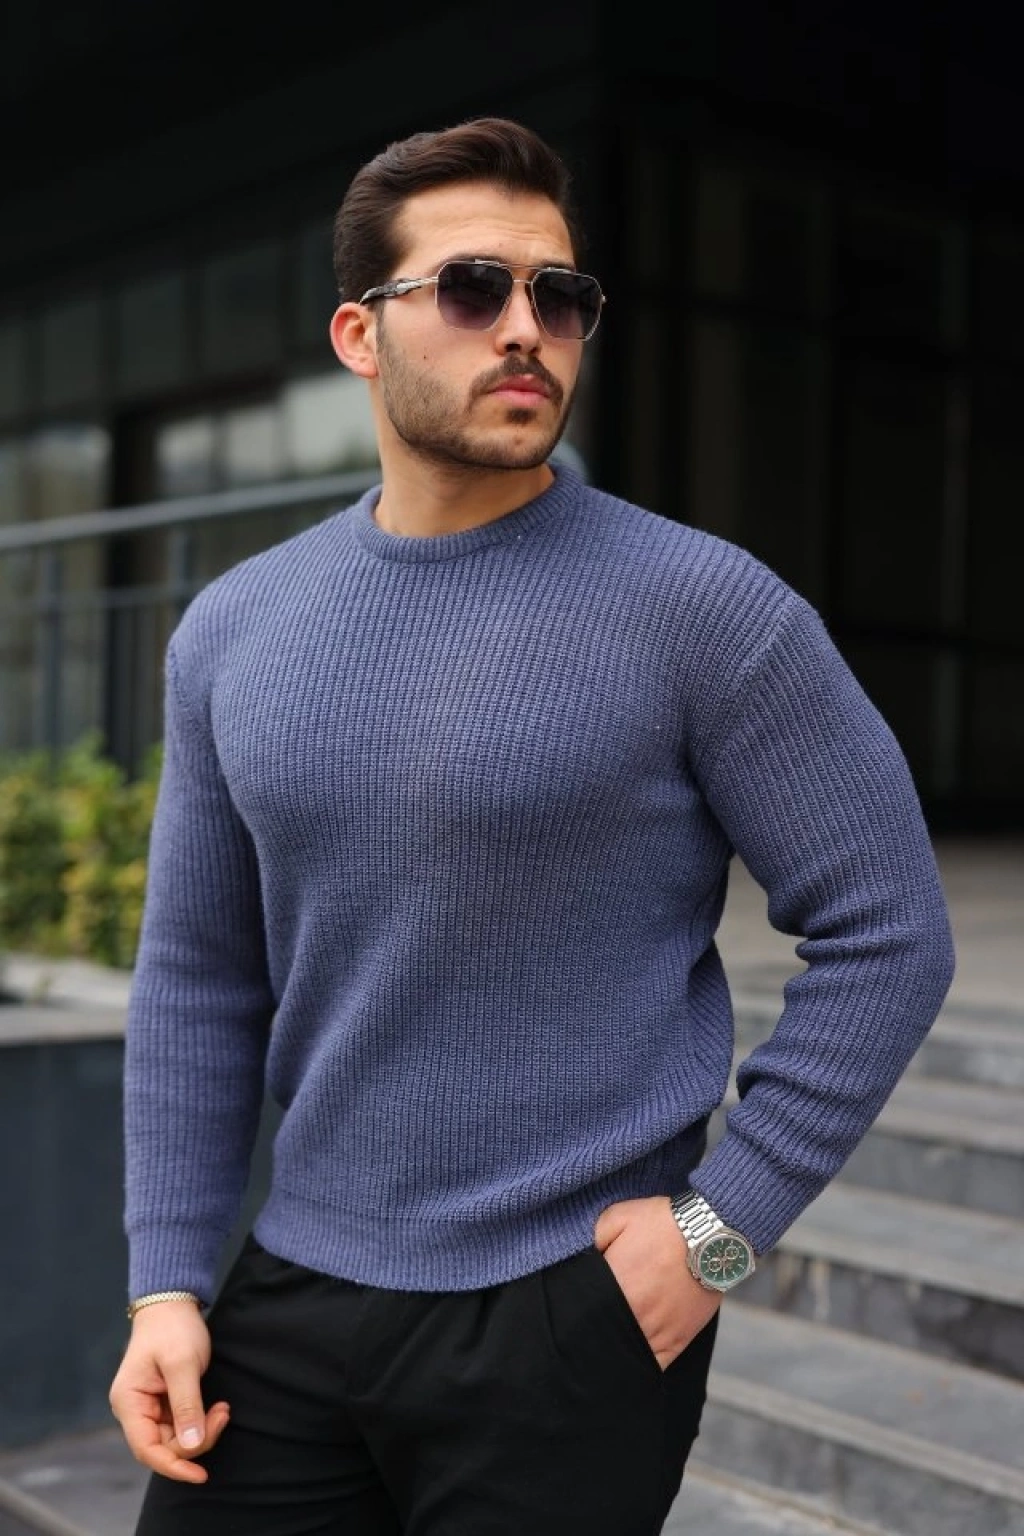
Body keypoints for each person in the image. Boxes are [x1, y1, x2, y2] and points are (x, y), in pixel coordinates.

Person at [109, 115, 956, 1536]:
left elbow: (891, 933)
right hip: (293, 1293)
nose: (526, 329)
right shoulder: (234, 629)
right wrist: (165, 1284)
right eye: (471, 288)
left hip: (574, 1317)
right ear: (359, 334)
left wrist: (719, 1235)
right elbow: (197, 976)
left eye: (559, 297)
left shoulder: (708, 609)